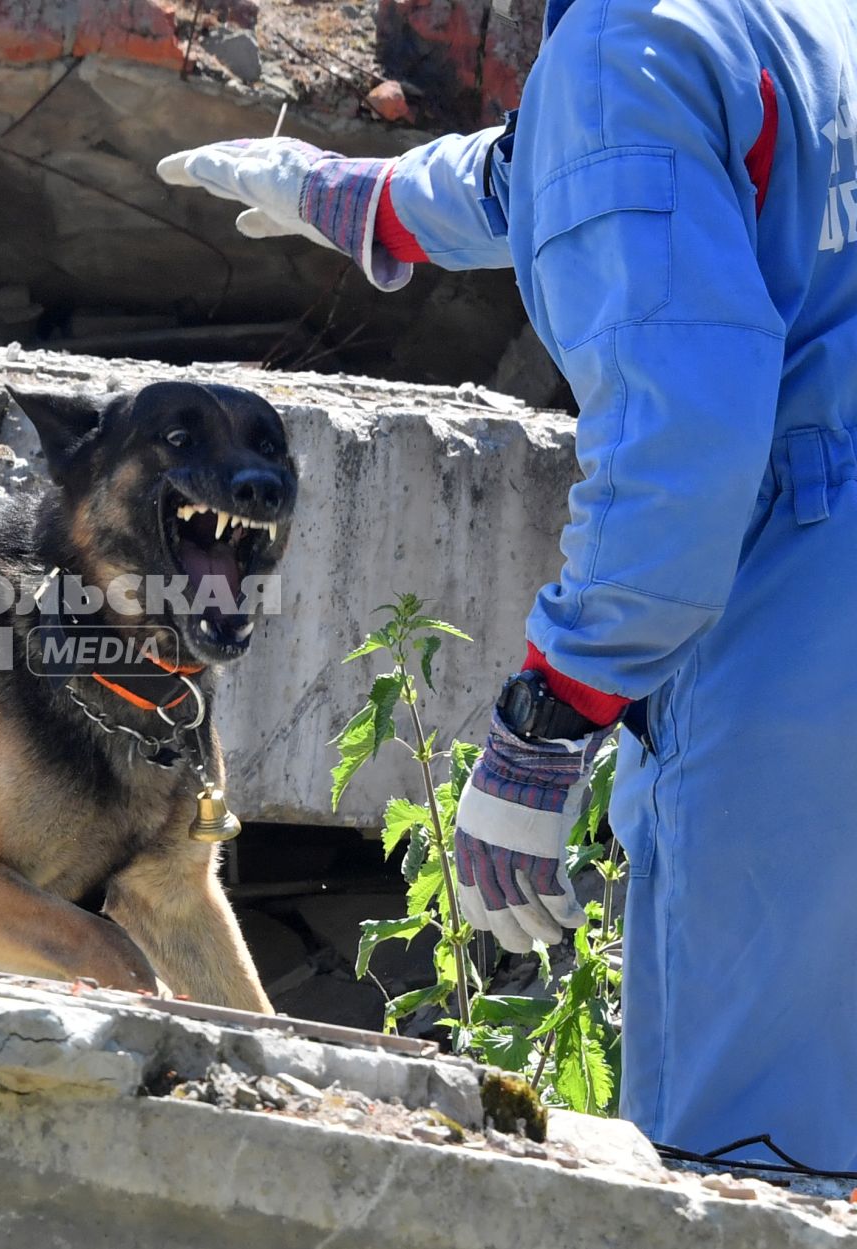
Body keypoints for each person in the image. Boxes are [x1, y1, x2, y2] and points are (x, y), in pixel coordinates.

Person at [157, 0, 857, 1170]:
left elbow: (681, 447)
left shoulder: (633, 43)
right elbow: (604, 161)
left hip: (797, 640)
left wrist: (552, 716)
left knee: (751, 1158)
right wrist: (370, 200)